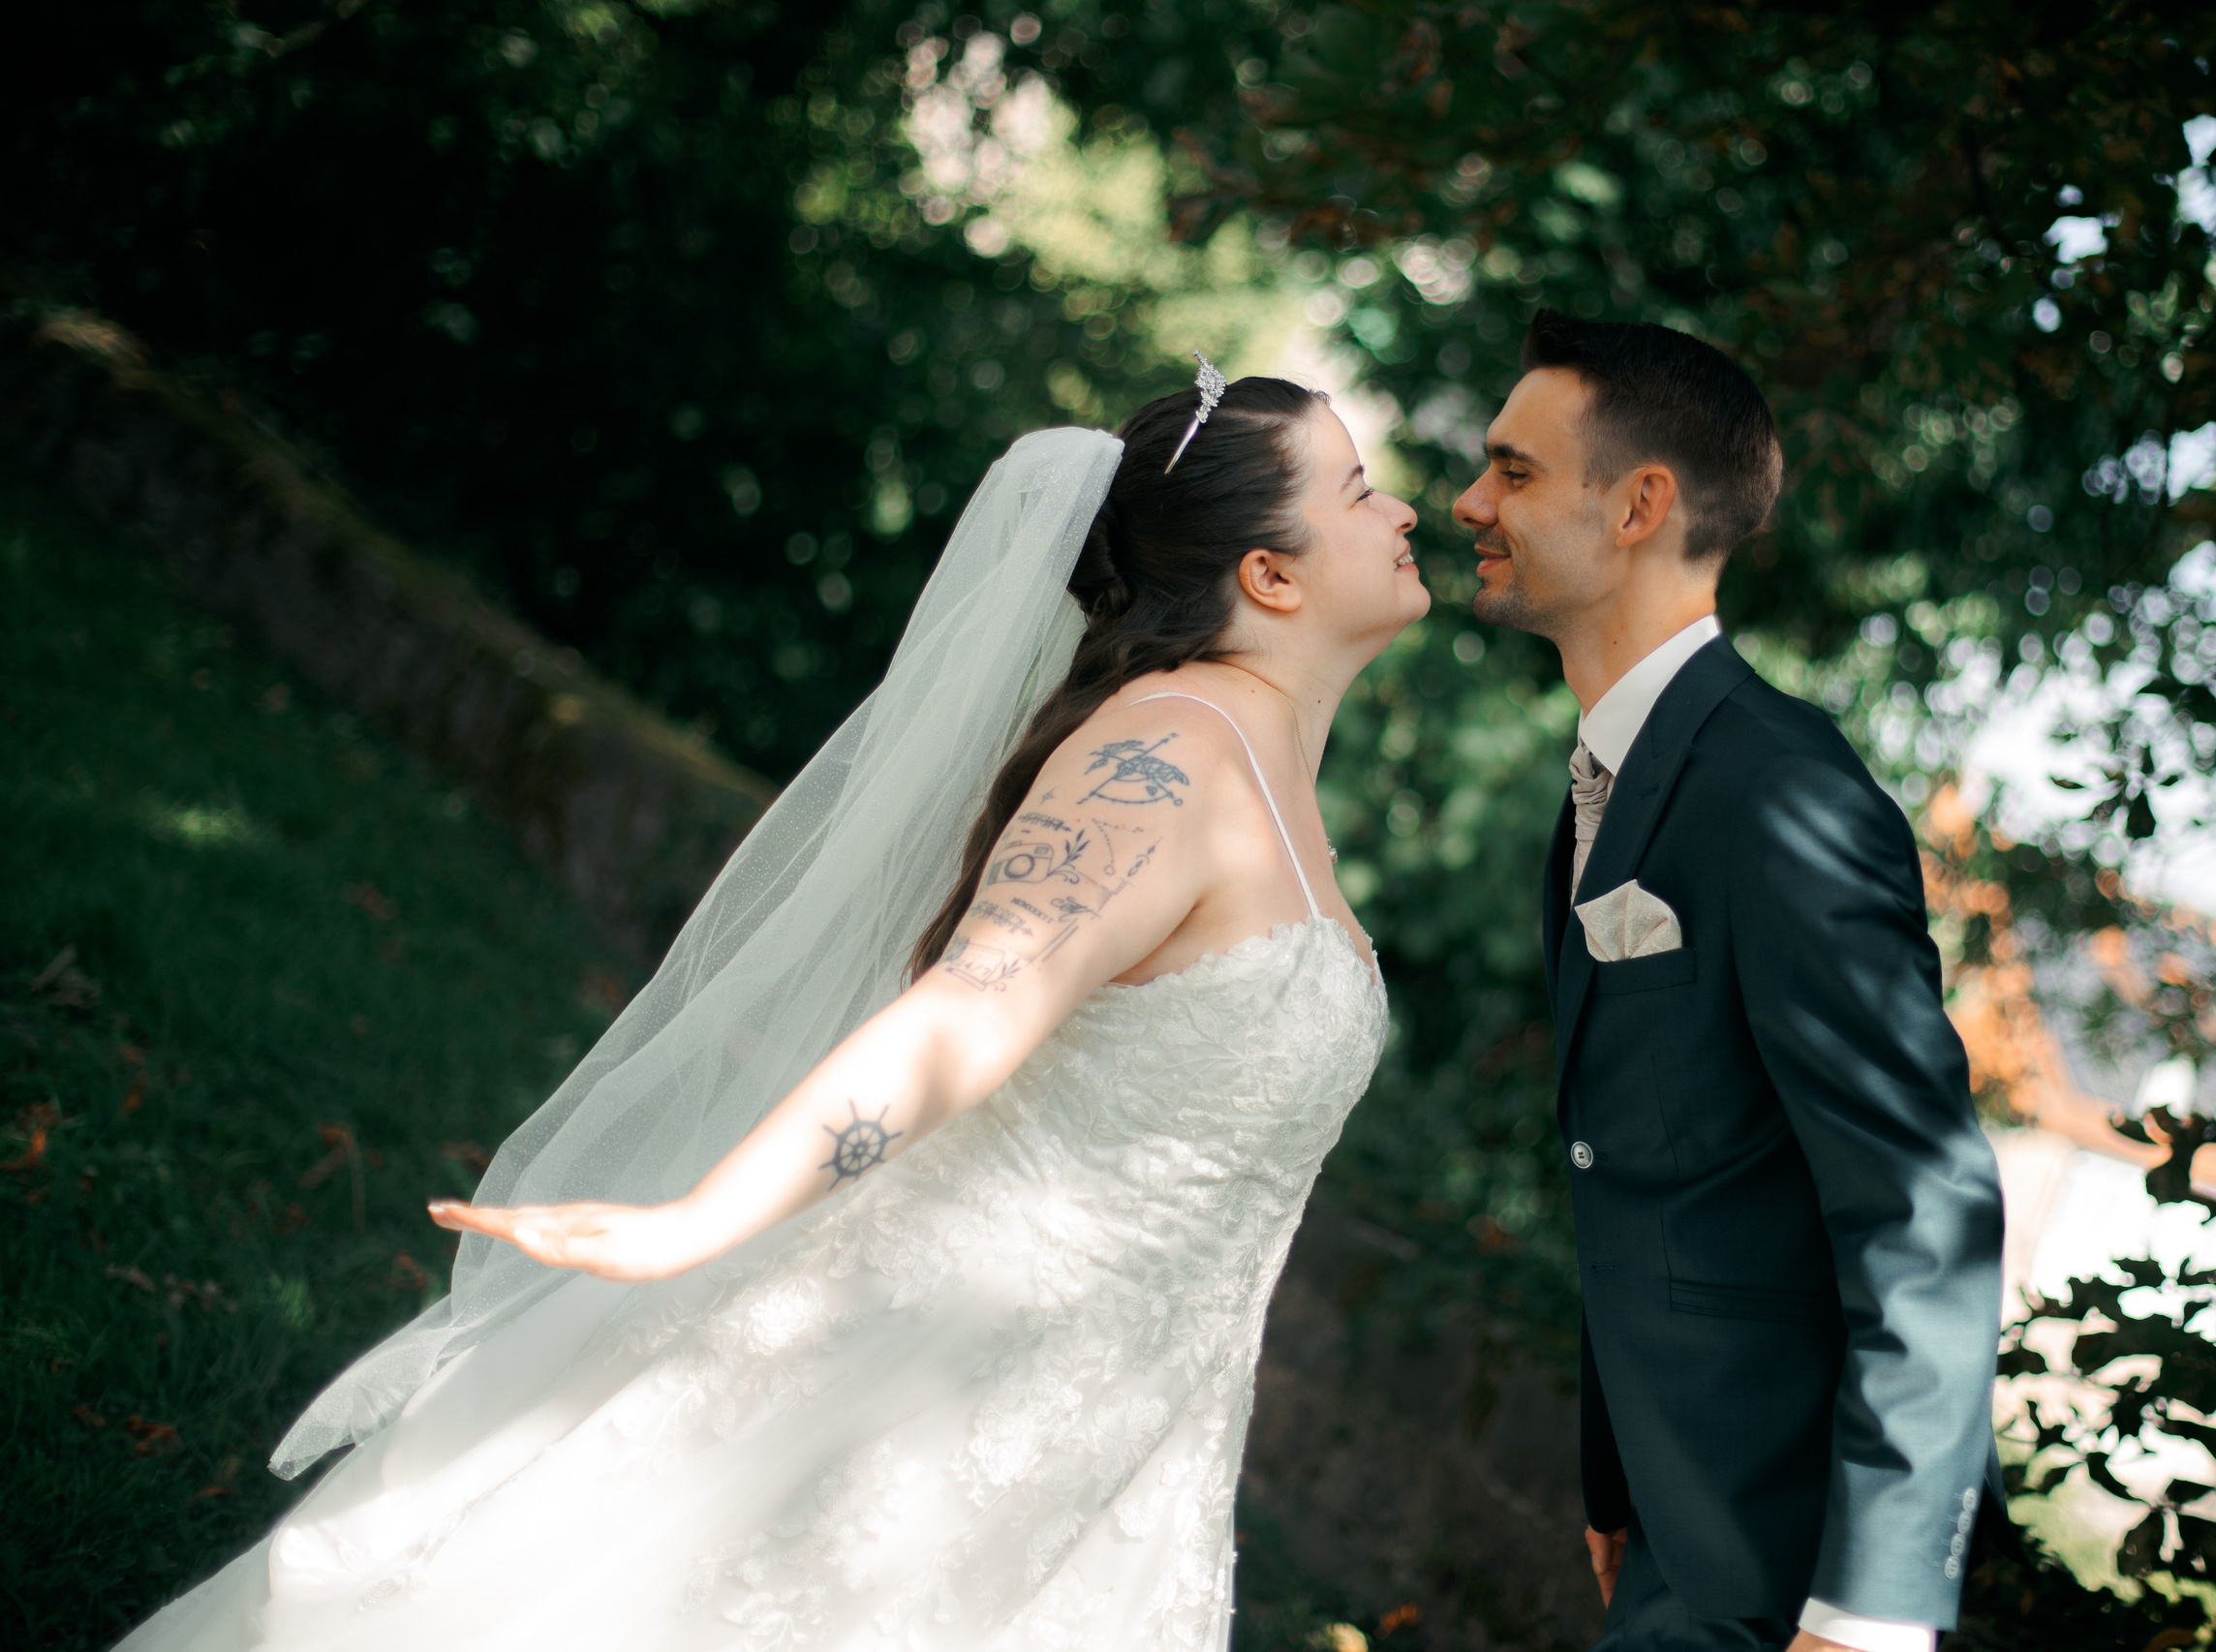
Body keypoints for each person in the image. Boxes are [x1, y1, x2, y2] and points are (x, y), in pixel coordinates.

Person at [113, 368, 1426, 1651]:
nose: (1403, 512)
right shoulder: (1176, 749)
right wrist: (696, 1222)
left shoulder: (1268, 772)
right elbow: (965, 1014)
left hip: (1121, 1411)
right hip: (939, 1360)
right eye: (1362, 489)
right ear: (1270, 573)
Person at [1454, 310, 2006, 1652]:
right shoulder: (1610, 783)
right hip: (1672, 1526)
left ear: (1640, 503)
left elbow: (1925, 1203)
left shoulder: (1778, 791)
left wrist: (1874, 1604)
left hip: (1790, 1571)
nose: (1467, 502)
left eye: (1514, 471)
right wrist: (1619, 1475)